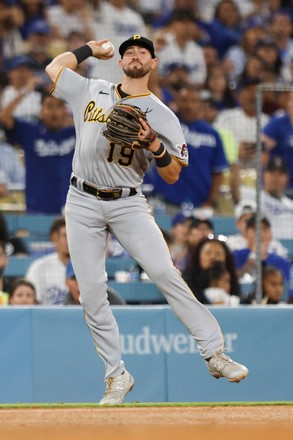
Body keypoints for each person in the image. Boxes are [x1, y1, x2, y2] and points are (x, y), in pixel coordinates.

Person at [45, 34, 249, 405]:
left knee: (166, 273)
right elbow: (53, 69)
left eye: (142, 51)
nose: (134, 55)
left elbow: (173, 174)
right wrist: (89, 49)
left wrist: (154, 144)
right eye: (128, 52)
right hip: (82, 199)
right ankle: (116, 376)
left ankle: (214, 353)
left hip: (127, 202)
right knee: (91, 293)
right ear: (120, 63)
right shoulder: (91, 88)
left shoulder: (162, 113)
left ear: (153, 63)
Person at [145, 86, 229, 211]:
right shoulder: (165, 126)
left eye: (193, 101)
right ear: (176, 102)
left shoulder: (212, 134)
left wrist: (211, 201)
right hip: (165, 201)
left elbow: (218, 171)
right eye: (184, 101)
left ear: (200, 104)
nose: (189, 105)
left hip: (200, 203)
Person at [0, 89, 75, 214]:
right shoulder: (30, 132)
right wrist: (25, 91)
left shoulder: (74, 133)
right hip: (37, 209)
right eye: (49, 106)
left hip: (70, 209)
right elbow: (5, 117)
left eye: (59, 106)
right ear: (41, 111)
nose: (54, 111)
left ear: (65, 111)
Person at [232, 215, 293, 299]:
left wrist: (263, 260)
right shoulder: (235, 256)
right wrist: (251, 260)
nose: (260, 233)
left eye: (265, 229)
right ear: (246, 233)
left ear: (270, 234)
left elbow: (286, 292)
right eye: (255, 229)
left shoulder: (282, 261)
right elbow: (232, 284)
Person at [25, 216, 70, 305]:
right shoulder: (39, 267)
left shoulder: (87, 268)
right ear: (55, 237)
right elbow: (32, 301)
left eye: (74, 236)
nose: (70, 240)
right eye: (66, 236)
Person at [183, 236, 241, 304]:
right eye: (208, 253)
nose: (213, 257)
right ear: (198, 257)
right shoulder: (188, 280)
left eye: (218, 254)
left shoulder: (232, 280)